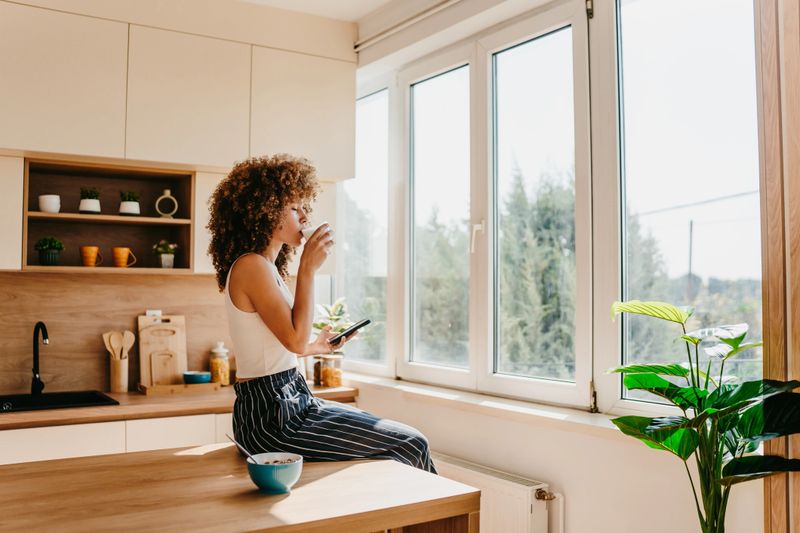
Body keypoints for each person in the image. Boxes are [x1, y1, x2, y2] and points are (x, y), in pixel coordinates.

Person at [207, 154, 436, 473]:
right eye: (293, 207)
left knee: (405, 443)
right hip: (272, 418)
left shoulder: (264, 267)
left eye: (304, 206)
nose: (304, 215)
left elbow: (283, 345)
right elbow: (294, 343)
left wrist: (318, 346)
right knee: (410, 443)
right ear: (264, 211)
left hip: (290, 401)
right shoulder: (252, 266)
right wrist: (308, 269)